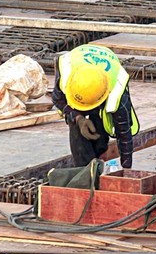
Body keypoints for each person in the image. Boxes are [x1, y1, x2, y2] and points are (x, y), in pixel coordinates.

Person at [50, 43, 138, 171]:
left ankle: (97, 157)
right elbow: (57, 99)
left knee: (100, 140)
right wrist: (78, 118)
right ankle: (84, 172)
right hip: (81, 68)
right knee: (77, 133)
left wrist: (127, 169)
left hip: (102, 86)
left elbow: (123, 132)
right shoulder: (67, 70)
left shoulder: (117, 91)